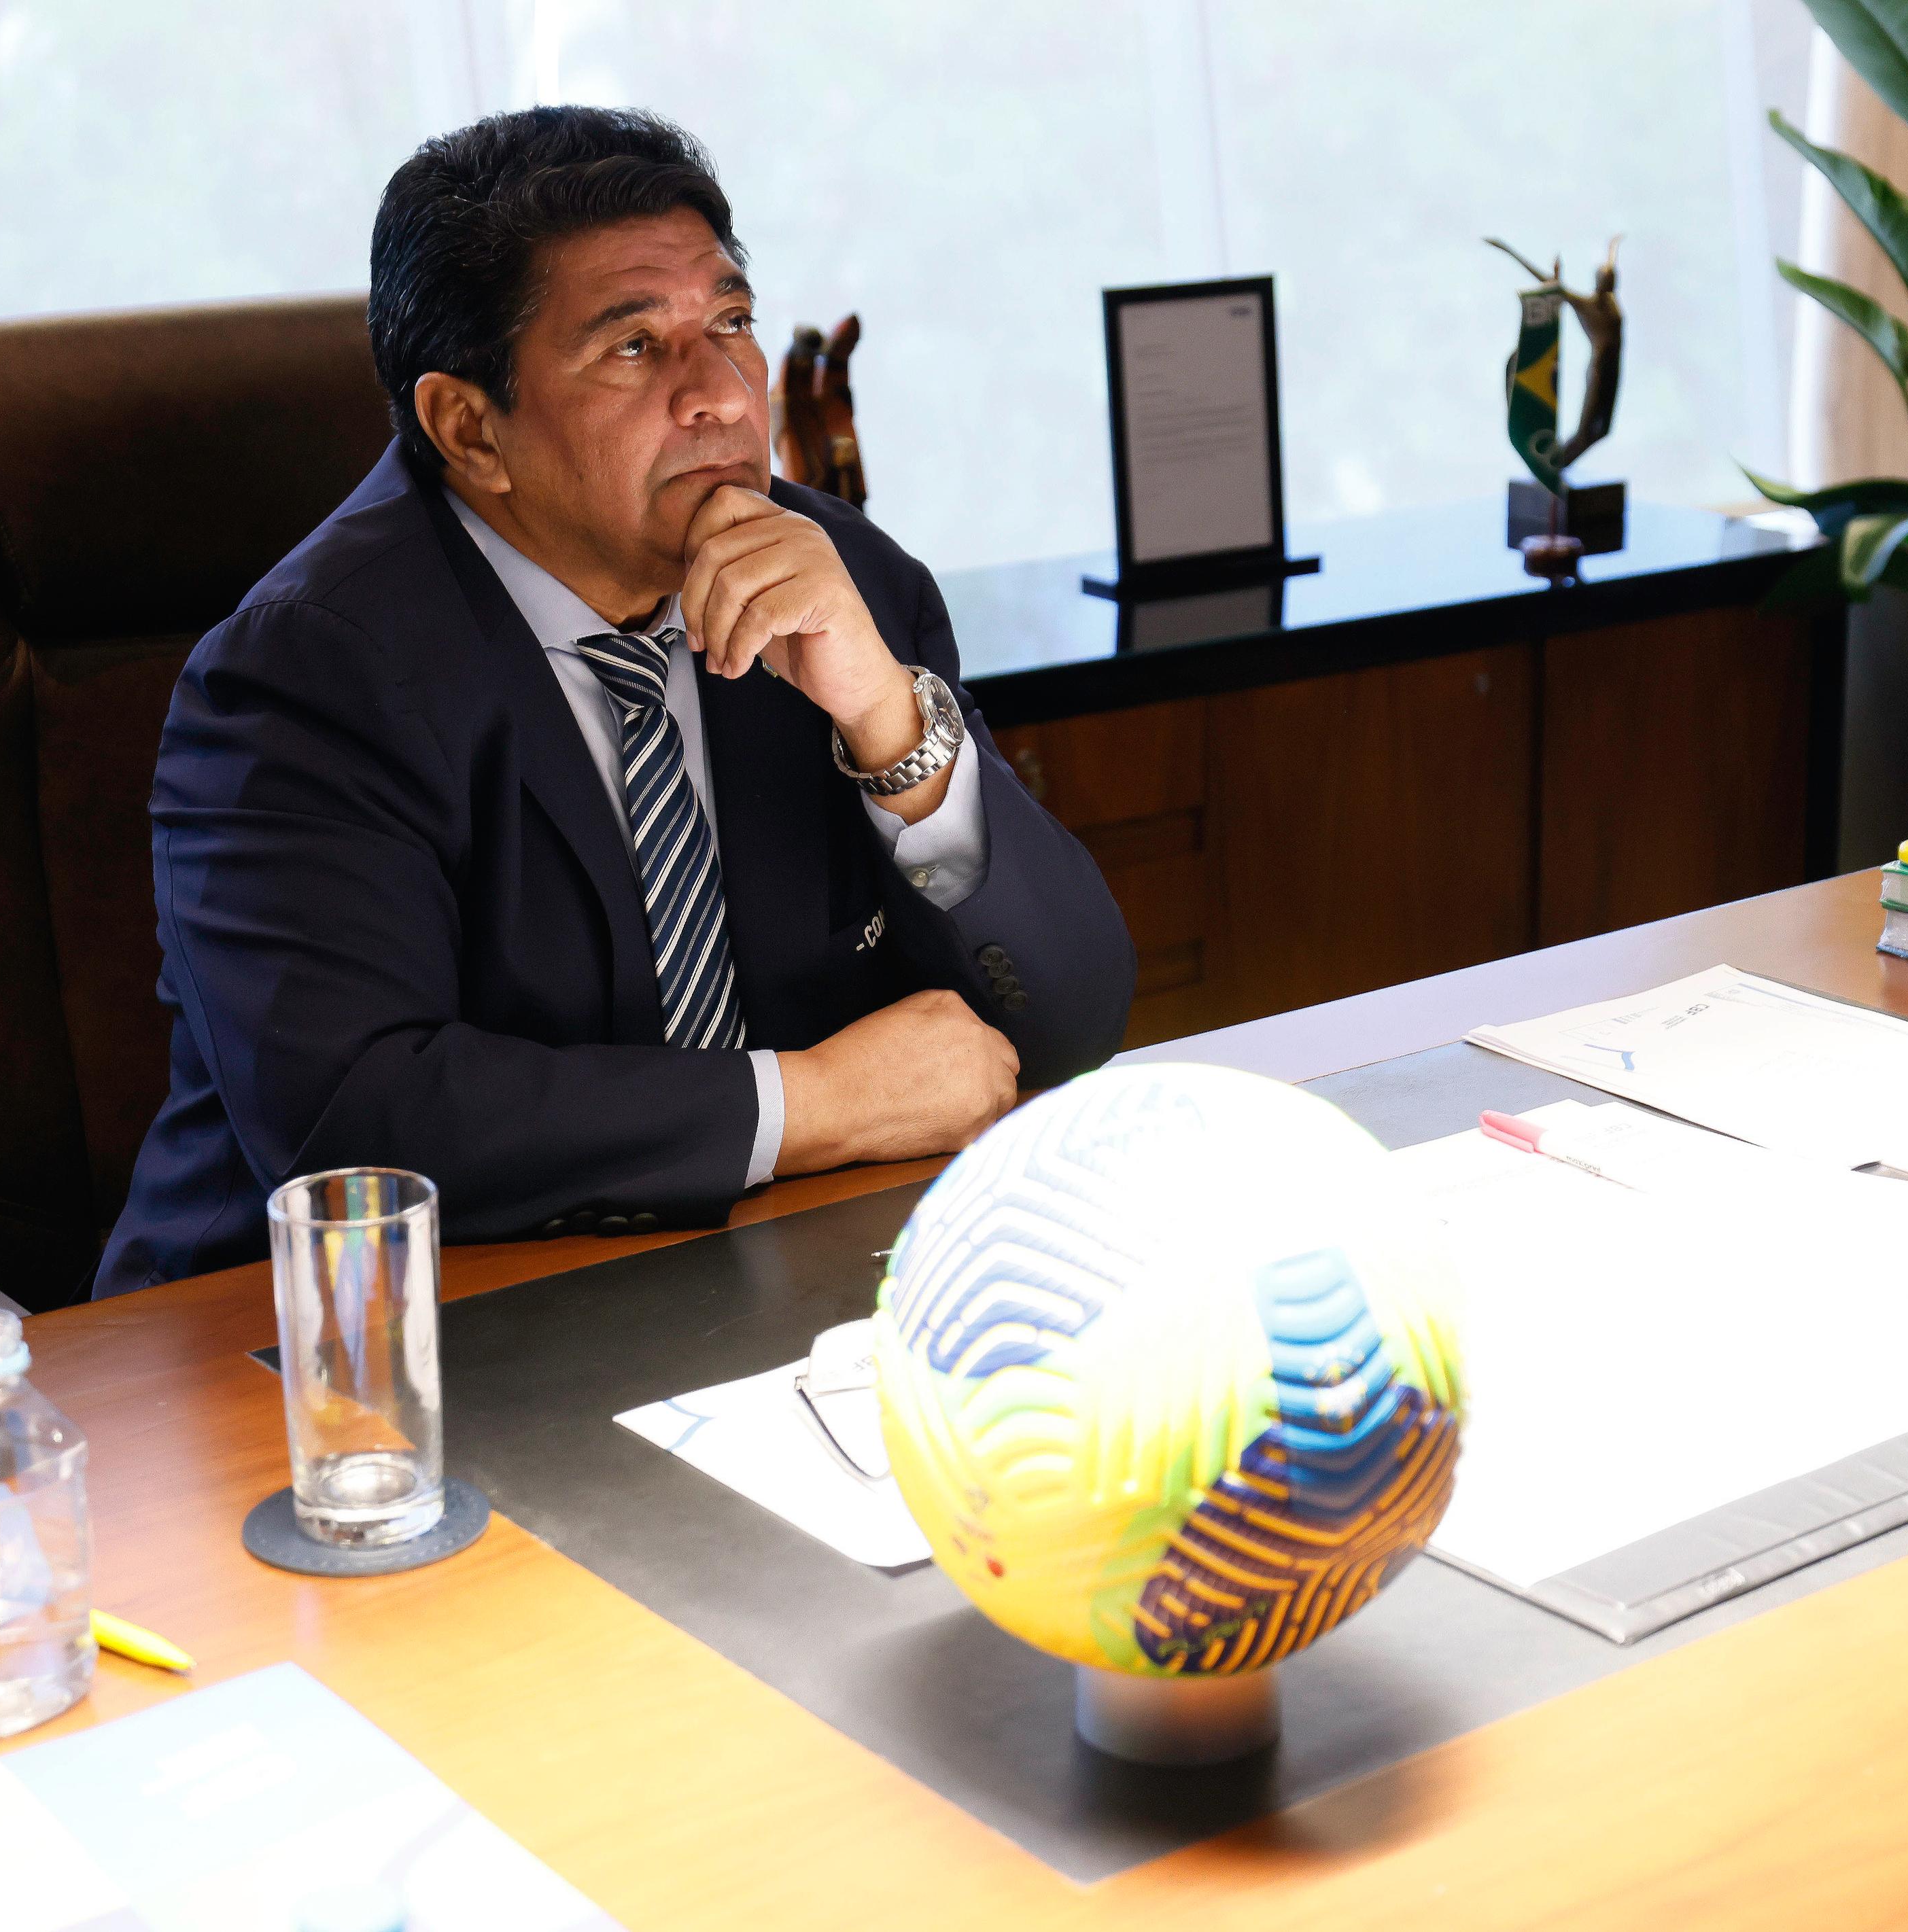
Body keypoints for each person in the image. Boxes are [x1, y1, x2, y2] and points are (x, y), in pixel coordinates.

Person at [94, 107, 1134, 1293]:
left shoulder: (841, 580)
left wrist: (891, 726)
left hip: (753, 1289)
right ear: (468, 428)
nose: (723, 396)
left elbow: (1070, 1023)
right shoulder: (303, 676)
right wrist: (813, 1104)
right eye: (636, 347)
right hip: (337, 1338)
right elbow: (354, 1125)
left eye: (730, 324)